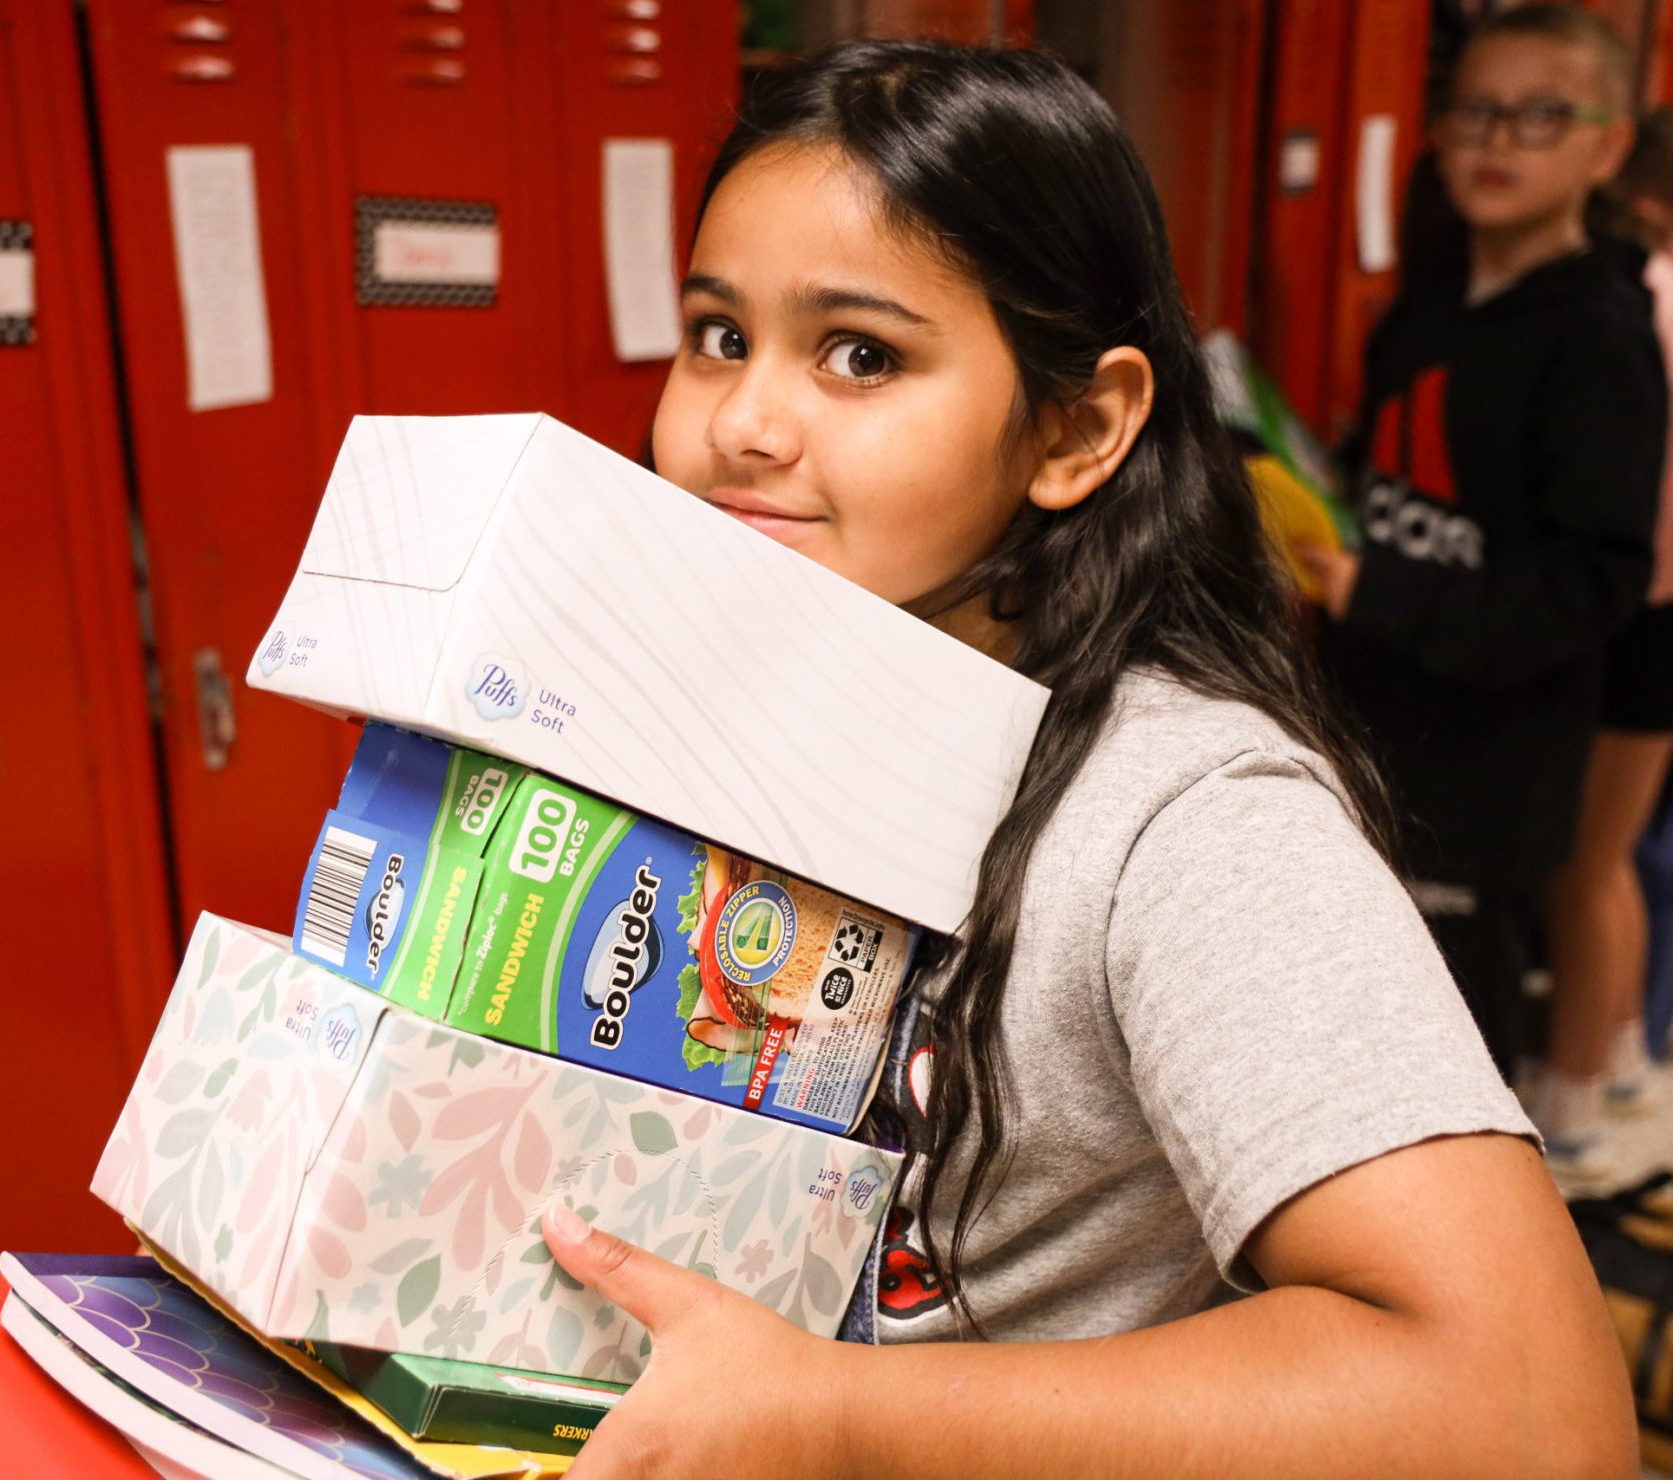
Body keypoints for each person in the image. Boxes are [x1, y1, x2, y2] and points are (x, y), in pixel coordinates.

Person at [537, 39, 1634, 1478]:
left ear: (1078, 428)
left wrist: (831, 1415)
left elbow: (1531, 1412)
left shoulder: (1186, 824)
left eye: (860, 355)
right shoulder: (742, 709)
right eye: (719, 335)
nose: (744, 422)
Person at [1300, 5, 1664, 1089]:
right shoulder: (1427, 303)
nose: (1496, 141)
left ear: (1606, 147)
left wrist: (1385, 594)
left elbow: (1593, 579)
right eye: (1474, 113)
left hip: (1489, 768)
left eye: (1539, 116)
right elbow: (1388, 481)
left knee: (1447, 1051)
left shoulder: (1599, 336)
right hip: (1374, 725)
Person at [1540, 107, 1673, 1174]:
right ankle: (1622, 1059)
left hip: (1638, 612)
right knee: (1616, 855)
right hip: (1665, 616)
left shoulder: (1646, 300)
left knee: (1581, 867)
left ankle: (1571, 1109)